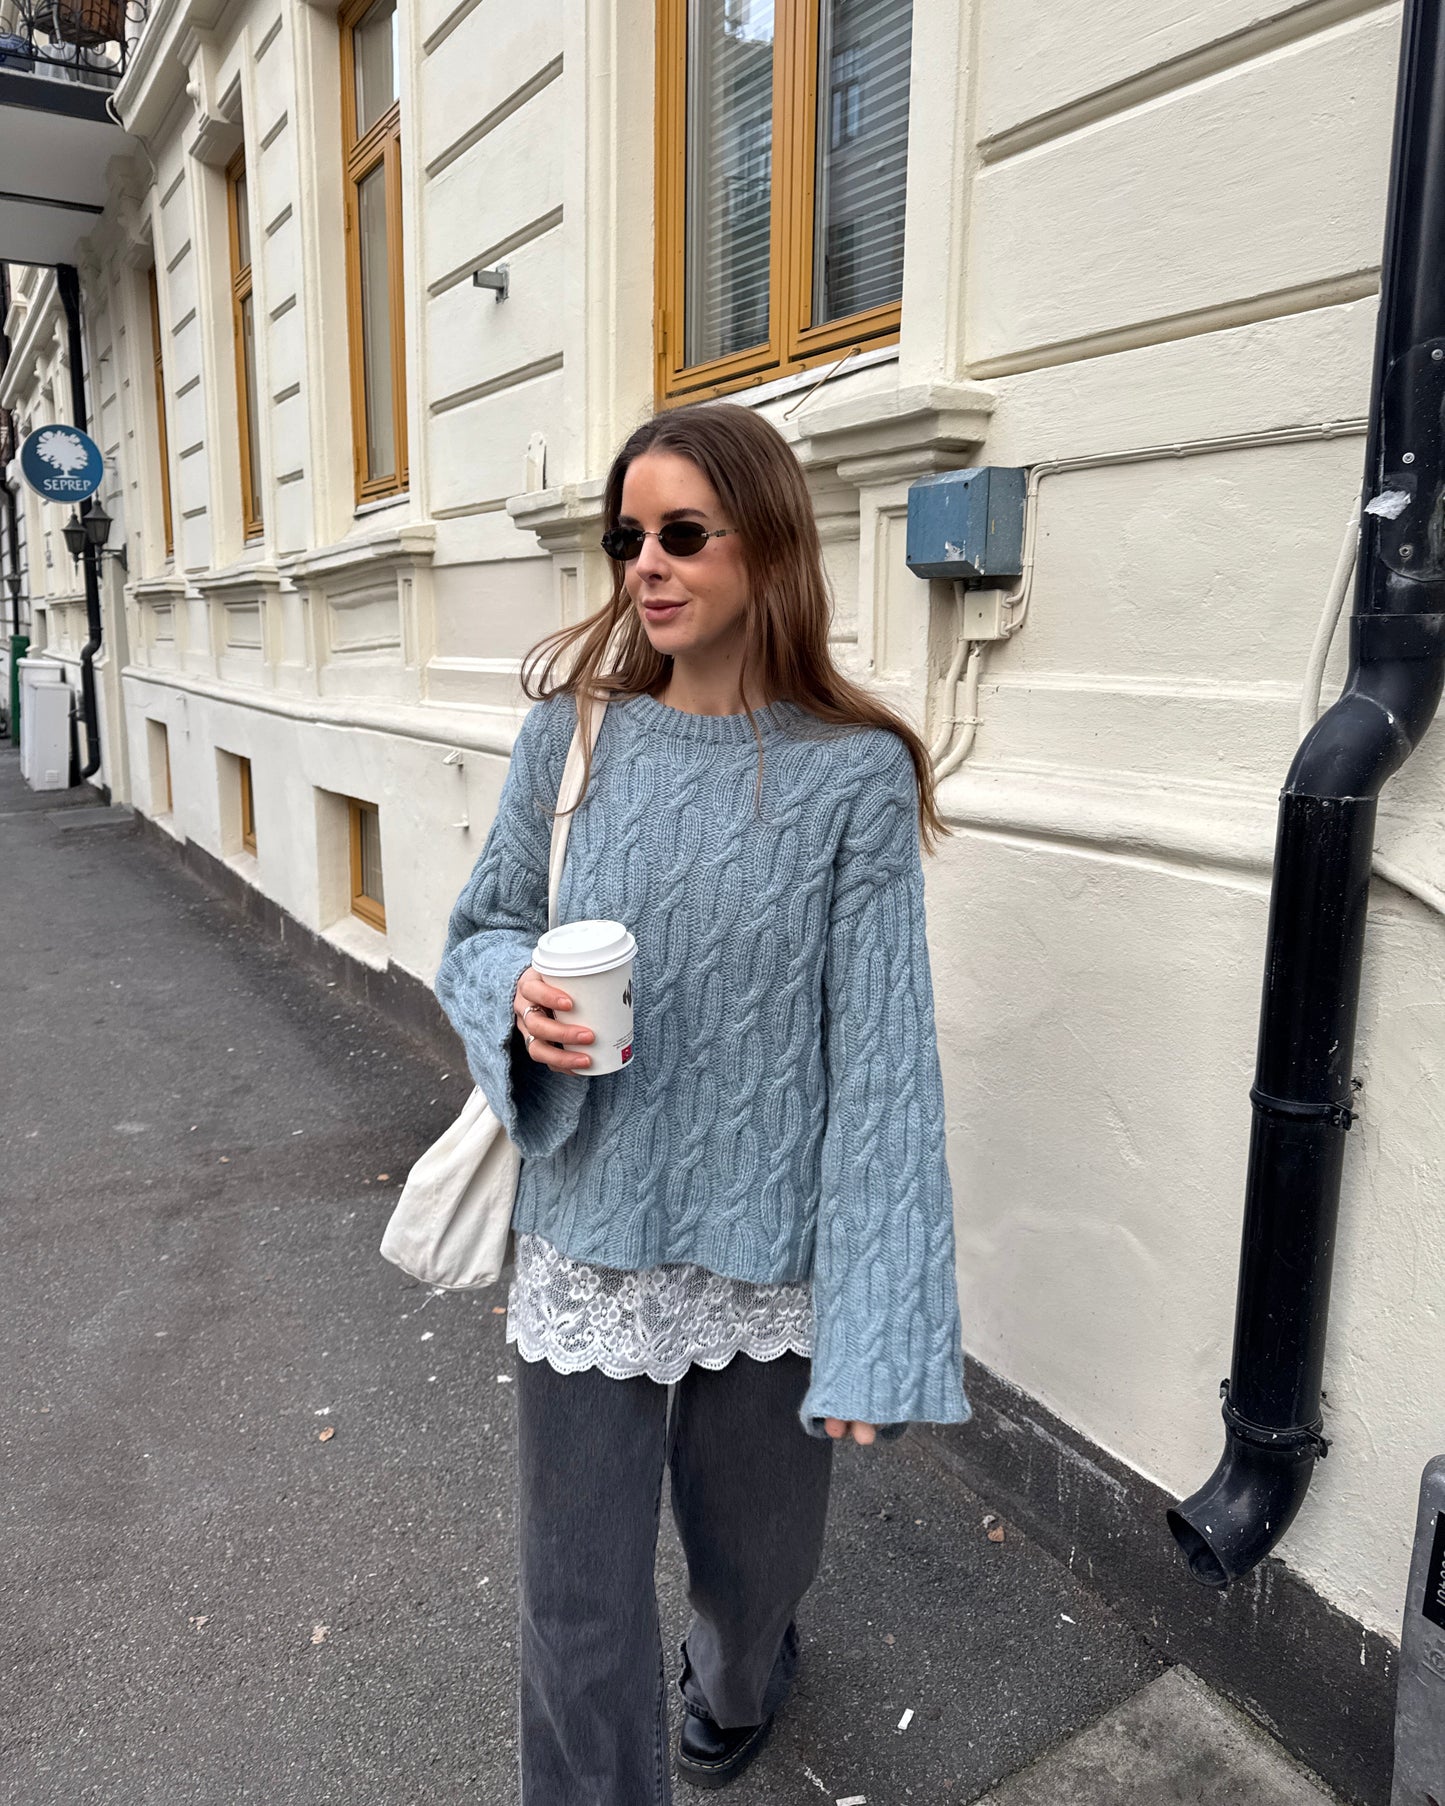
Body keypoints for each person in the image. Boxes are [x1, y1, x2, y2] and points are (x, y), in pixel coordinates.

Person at [434, 401, 970, 1803]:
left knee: (756, 1558)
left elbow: (884, 1062)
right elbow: (480, 926)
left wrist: (880, 1322)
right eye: (627, 539)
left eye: (681, 533)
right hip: (590, 1233)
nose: (645, 566)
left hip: (767, 1254)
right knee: (576, 1604)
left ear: (768, 543)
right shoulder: (571, 740)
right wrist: (516, 996)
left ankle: (740, 1669)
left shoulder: (852, 778)